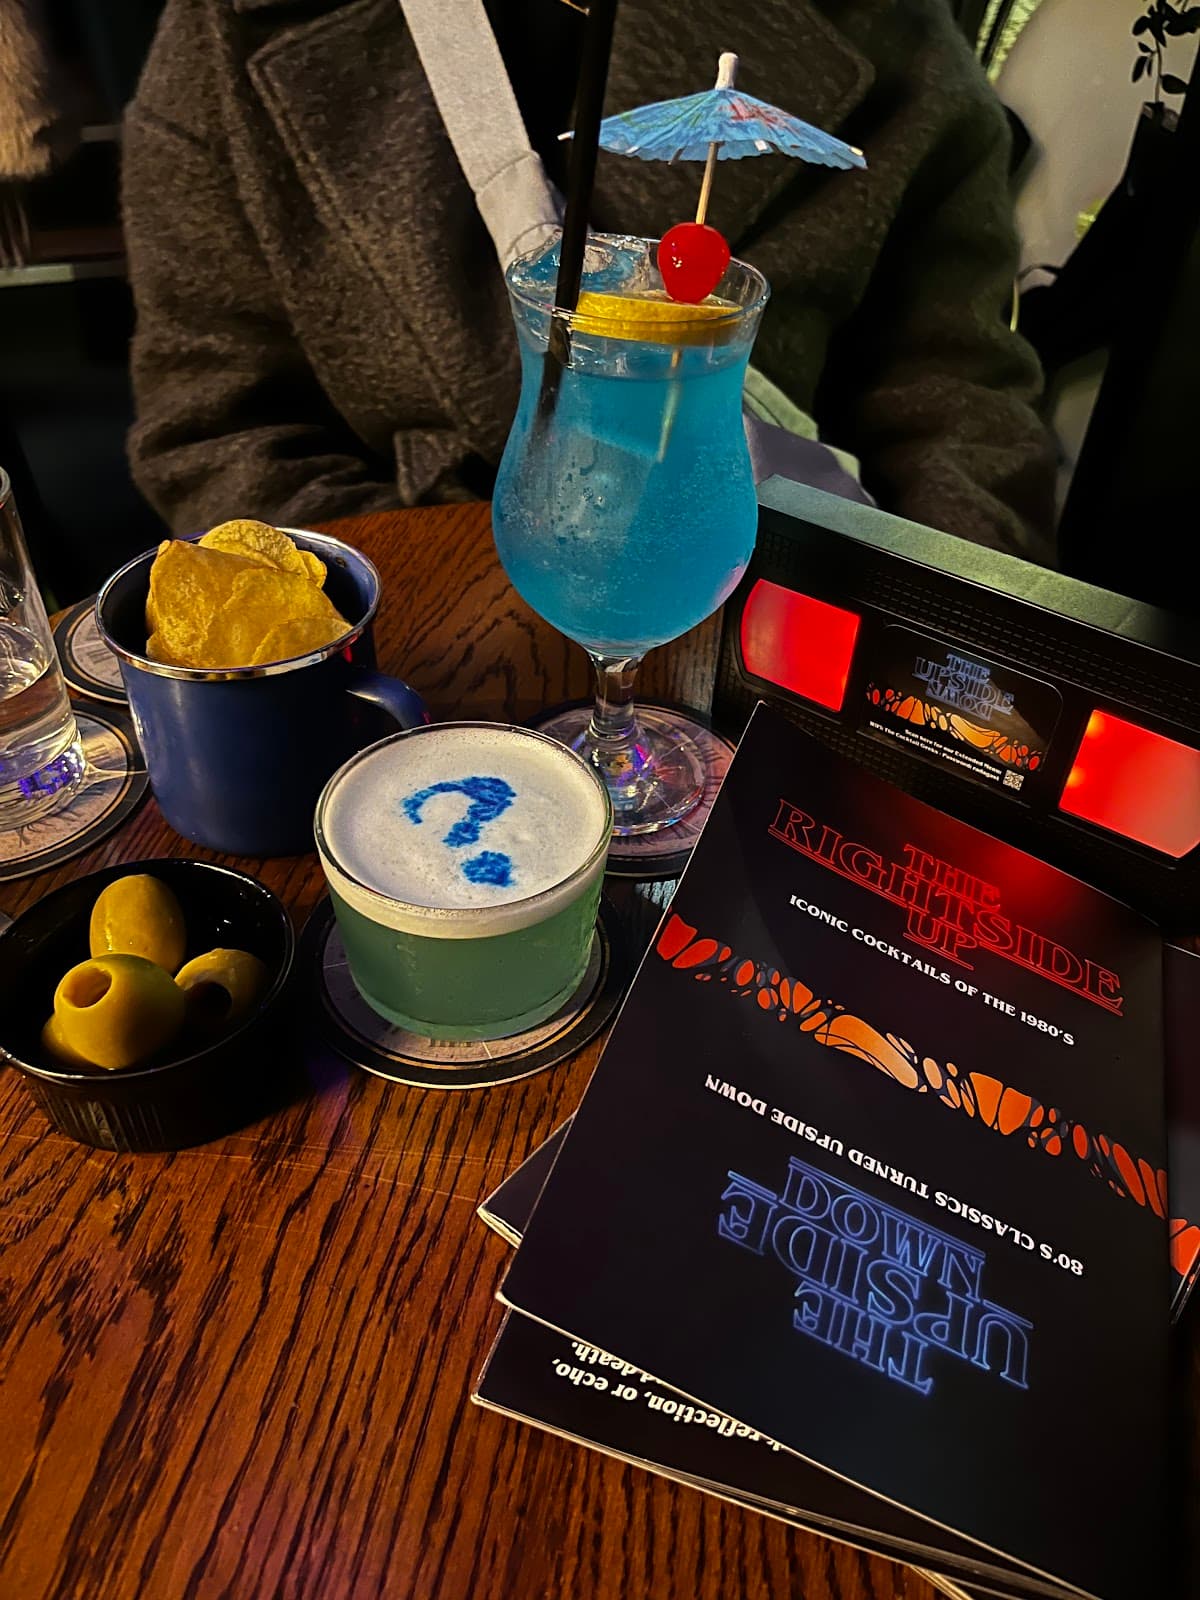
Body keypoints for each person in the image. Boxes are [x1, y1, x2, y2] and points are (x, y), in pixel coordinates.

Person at [121, 0, 1057, 557]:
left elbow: (957, 410)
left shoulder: (893, 36)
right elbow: (219, 424)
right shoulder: (229, 34)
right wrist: (435, 608)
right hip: (418, 650)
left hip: (783, 617)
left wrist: (927, 673)